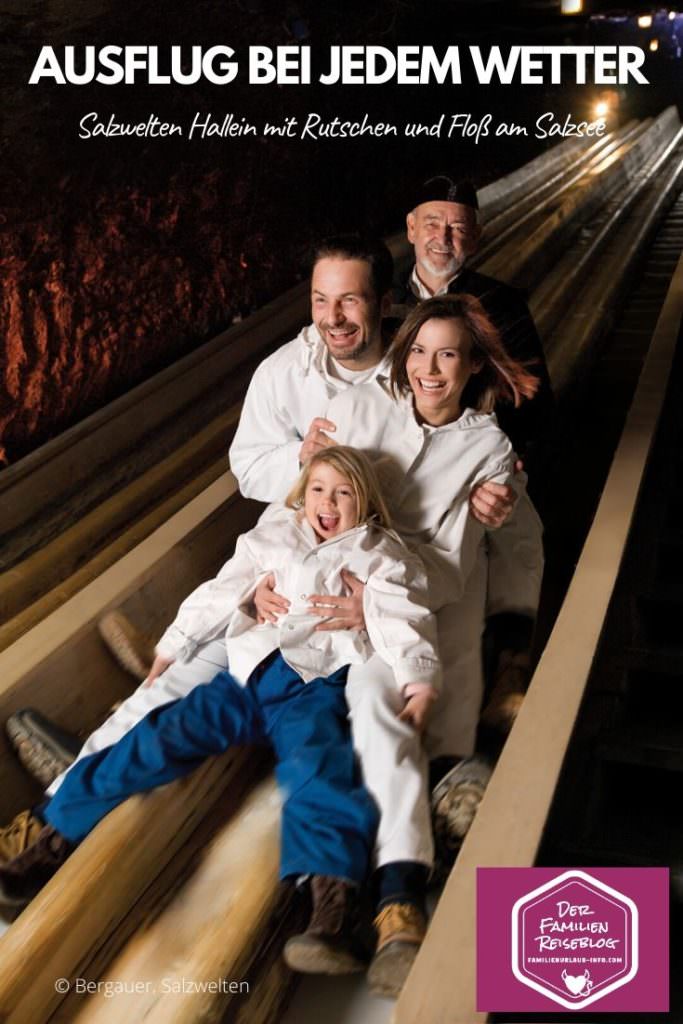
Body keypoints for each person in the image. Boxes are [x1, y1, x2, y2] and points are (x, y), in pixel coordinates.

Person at [0, 446, 441, 980]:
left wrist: (418, 682)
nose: (329, 503)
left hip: (311, 687)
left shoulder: (379, 554)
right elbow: (222, 589)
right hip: (248, 676)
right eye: (319, 490)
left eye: (343, 493)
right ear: (303, 496)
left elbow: (405, 618)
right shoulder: (273, 537)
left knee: (318, 770)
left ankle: (333, 910)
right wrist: (173, 644)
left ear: (364, 503)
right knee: (157, 736)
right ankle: (50, 845)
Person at [255, 293, 544, 995]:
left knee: (397, 730)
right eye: (417, 350)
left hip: (421, 613)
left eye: (448, 354)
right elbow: (307, 501)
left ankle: (395, 905)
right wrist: (260, 578)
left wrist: (376, 601)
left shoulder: (488, 450)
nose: (429, 369)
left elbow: (446, 564)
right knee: (353, 732)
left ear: (474, 364)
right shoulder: (361, 411)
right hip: (335, 606)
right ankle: (364, 900)